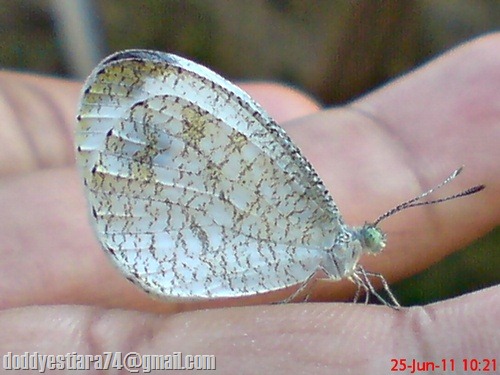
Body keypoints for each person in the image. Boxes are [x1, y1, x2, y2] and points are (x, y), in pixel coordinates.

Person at [0, 34, 498, 373]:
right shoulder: (323, 231)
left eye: (370, 237)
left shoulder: (336, 249)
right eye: (369, 237)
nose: (374, 241)